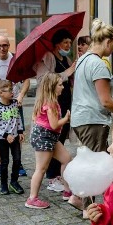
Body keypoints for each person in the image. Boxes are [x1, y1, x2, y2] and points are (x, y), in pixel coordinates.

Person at [72, 19, 113, 154]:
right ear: (107, 42)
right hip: (93, 120)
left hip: (81, 119)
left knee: (93, 160)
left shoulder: (83, 59)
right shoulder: (98, 64)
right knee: (95, 164)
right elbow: (106, 101)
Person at [0, 35, 31, 180]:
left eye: (5, 45)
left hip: (14, 103)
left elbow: (26, 80)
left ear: (9, 45)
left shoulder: (16, 59)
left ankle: (18, 163)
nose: (2, 48)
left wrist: (20, 95)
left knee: (16, 133)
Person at [33, 29, 76, 192]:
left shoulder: (66, 58)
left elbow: (69, 79)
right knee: (51, 138)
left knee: (60, 137)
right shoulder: (48, 57)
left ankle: (58, 173)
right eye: (65, 42)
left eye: (69, 43)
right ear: (57, 43)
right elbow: (45, 80)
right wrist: (67, 73)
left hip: (63, 101)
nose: (68, 46)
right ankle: (51, 176)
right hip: (51, 104)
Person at [26, 72, 73, 210]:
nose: (62, 87)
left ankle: (67, 190)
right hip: (44, 136)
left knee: (66, 159)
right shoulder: (51, 103)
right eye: (60, 85)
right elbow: (54, 124)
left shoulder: (47, 100)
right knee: (41, 168)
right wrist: (66, 118)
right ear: (52, 87)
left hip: (49, 136)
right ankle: (32, 199)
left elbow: (37, 118)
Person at [0, 79, 25, 196]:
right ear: (0, 93)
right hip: (2, 139)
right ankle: (3, 184)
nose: (12, 92)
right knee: (4, 162)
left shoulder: (15, 104)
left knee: (17, 160)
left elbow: (18, 118)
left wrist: (20, 131)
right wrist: (5, 135)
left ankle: (14, 182)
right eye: (9, 90)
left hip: (14, 138)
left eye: (12, 89)